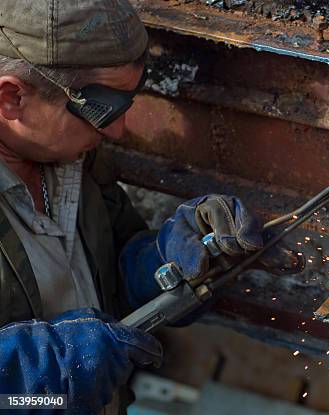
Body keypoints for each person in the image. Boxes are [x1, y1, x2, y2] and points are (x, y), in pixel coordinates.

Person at [0, 1, 298, 413]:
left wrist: (165, 261)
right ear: (11, 98)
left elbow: (109, 282)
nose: (118, 129)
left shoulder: (71, 161)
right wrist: (31, 378)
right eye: (102, 110)